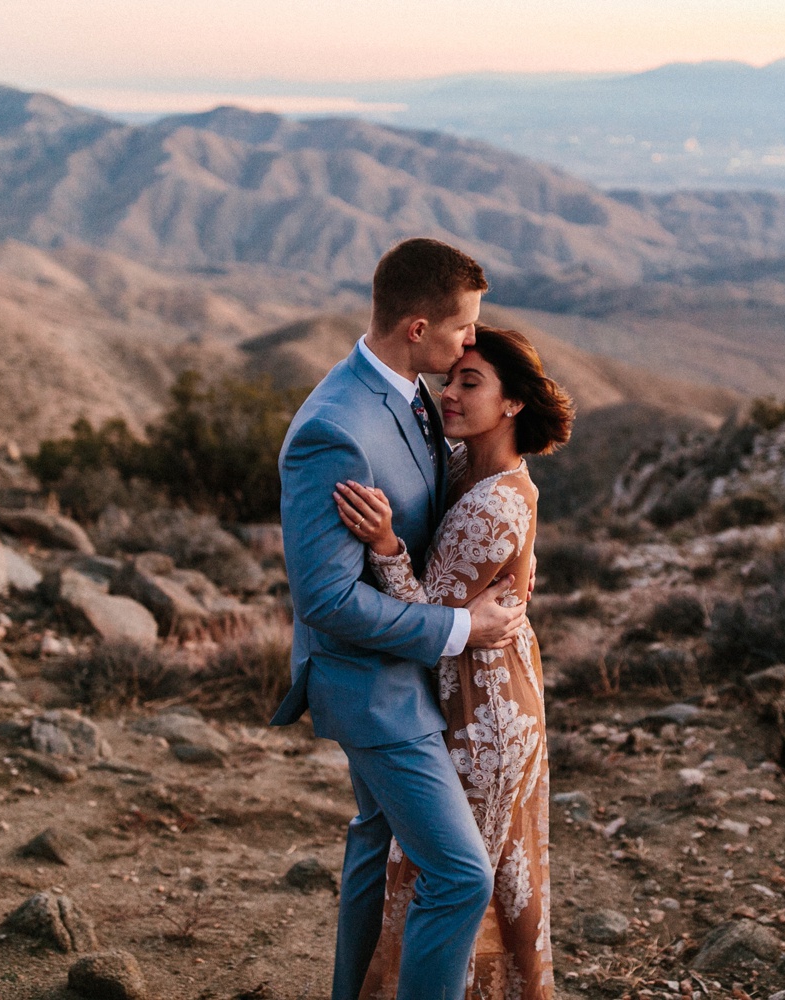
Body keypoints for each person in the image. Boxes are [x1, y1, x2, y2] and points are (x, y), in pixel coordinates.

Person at [270, 239, 530, 1000]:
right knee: (458, 874)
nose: (469, 343)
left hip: (402, 671)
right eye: (461, 329)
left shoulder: (413, 391)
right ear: (417, 328)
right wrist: (461, 630)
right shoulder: (337, 428)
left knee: (374, 842)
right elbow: (325, 599)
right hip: (370, 686)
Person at [334, 324, 574, 1000]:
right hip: (479, 686)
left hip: (484, 712)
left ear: (513, 403)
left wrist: (383, 544)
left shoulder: (493, 500)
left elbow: (425, 617)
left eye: (472, 383)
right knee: (459, 875)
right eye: (451, 379)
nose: (451, 393)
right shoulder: (473, 466)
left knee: (459, 884)